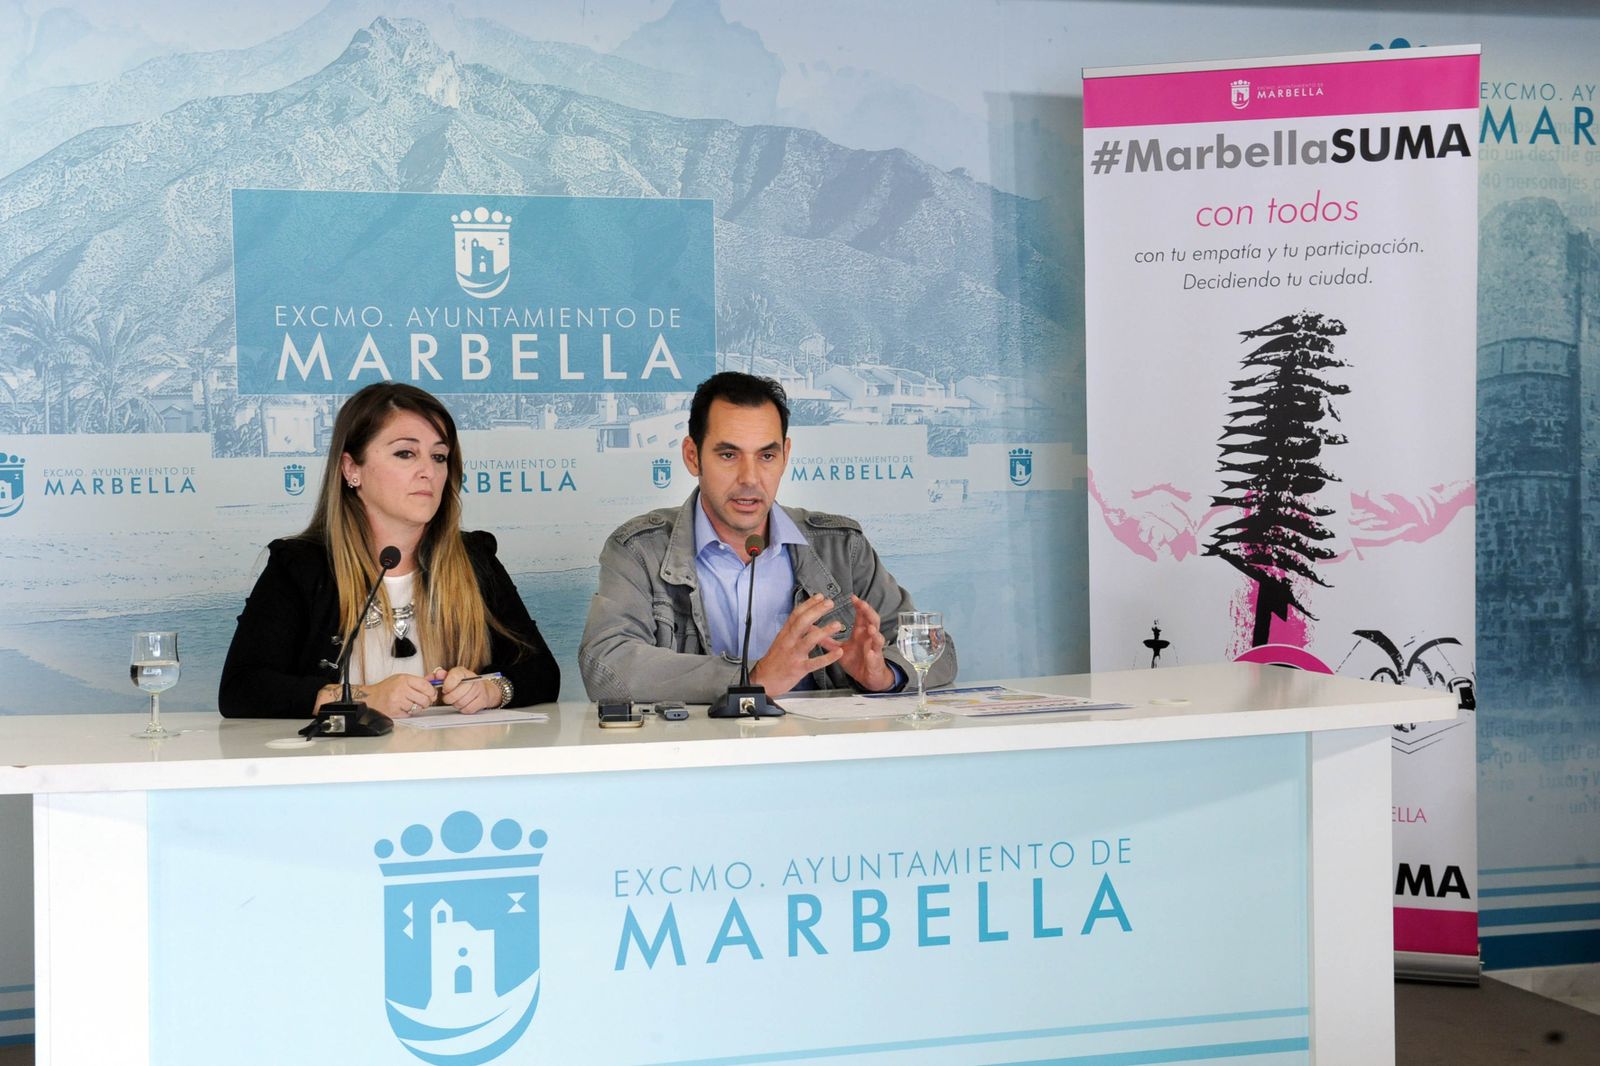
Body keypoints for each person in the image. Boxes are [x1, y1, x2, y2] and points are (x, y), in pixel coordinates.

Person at [579, 371, 955, 703]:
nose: (750, 479)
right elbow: (607, 666)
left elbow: (939, 651)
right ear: (693, 456)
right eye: (729, 455)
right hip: (697, 753)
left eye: (766, 456)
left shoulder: (842, 546)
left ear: (785, 455)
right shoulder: (639, 549)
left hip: (821, 752)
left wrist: (883, 675)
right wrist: (751, 679)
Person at [219, 382, 559, 718]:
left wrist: (490, 689)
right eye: (406, 454)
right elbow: (242, 688)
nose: (429, 472)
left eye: (439, 457)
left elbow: (542, 671)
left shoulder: (474, 559)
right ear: (351, 469)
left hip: (450, 752)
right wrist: (363, 697)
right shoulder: (301, 566)